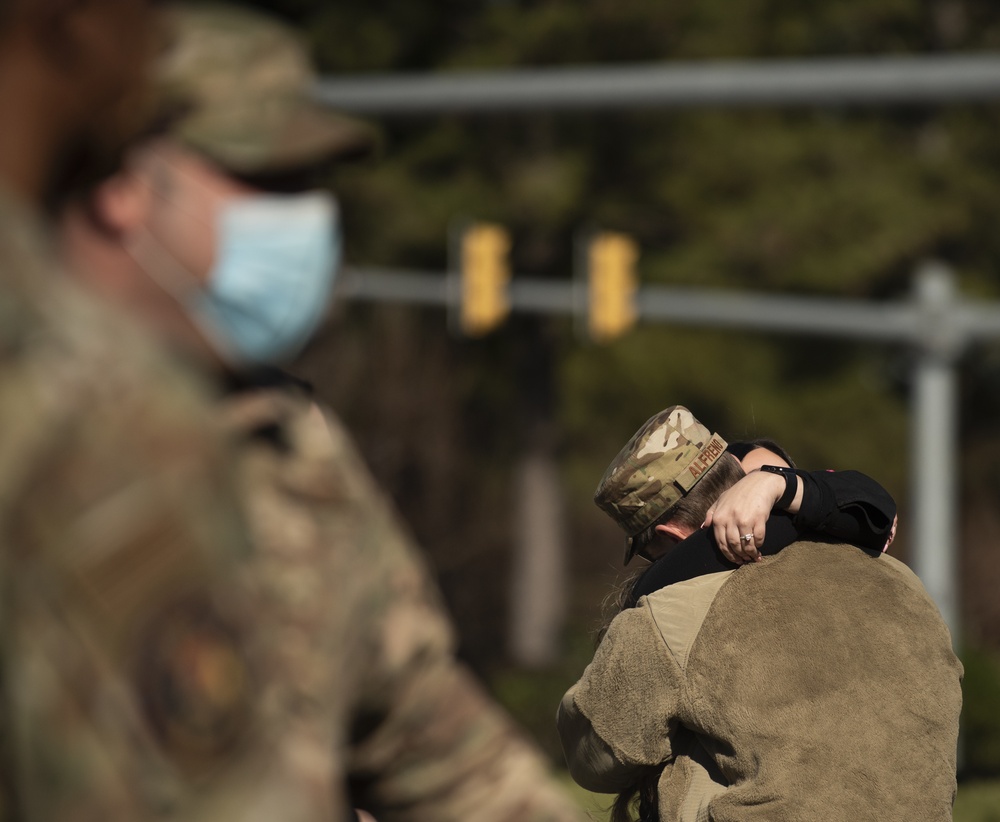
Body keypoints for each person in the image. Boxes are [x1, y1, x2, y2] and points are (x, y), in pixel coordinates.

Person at [60, 4, 586, 821]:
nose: (303, 221)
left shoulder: (295, 451)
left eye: (310, 186)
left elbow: (443, 757)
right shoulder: (34, 435)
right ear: (121, 181)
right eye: (266, 183)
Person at [558, 406, 962, 821]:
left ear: (666, 535)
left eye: (648, 552)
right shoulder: (899, 576)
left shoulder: (669, 614)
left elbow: (597, 757)